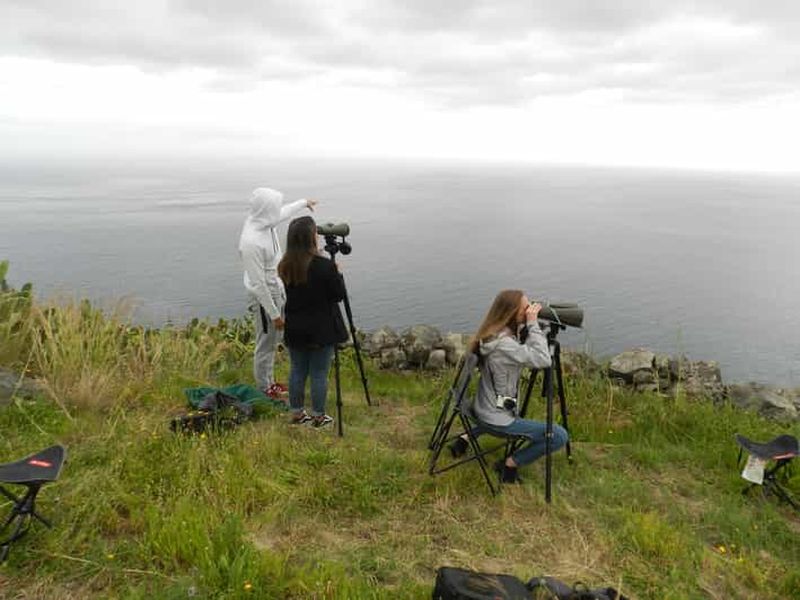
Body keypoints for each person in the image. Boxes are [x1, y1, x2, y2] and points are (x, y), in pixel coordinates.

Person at [451, 289, 569, 483]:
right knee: (559, 435)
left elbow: (519, 350)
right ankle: (509, 464)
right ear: (510, 312)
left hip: (483, 407)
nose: (529, 311)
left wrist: (526, 325)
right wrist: (532, 324)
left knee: (508, 409)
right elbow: (542, 359)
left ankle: (465, 437)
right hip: (495, 417)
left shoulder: (492, 336)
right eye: (525, 309)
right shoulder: (504, 345)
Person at [239, 187, 317, 398]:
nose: (277, 213)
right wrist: (274, 314)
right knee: (265, 344)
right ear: (266, 210)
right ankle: (264, 388)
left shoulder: (264, 222)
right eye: (273, 208)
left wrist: (303, 202)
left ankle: (270, 382)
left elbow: (283, 213)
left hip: (276, 290)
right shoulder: (251, 242)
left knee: (271, 343)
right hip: (265, 299)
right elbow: (258, 284)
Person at [277, 216, 347, 428]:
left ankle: (297, 415)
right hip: (321, 329)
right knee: (318, 373)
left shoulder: (285, 265)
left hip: (295, 327)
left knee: (297, 370)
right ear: (310, 238)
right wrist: (337, 273)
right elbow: (337, 296)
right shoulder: (324, 266)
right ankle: (319, 417)